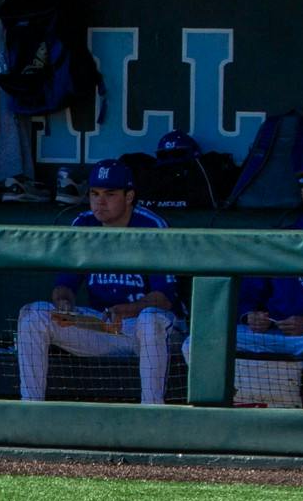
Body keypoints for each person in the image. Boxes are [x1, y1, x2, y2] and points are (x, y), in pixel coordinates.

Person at [14, 158, 181, 404]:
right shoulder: (84, 223)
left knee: (150, 320)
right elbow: (65, 284)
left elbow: (164, 299)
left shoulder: (151, 225)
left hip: (150, 329)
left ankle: (152, 412)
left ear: (129, 196)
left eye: (110, 194)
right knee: (34, 315)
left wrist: (130, 310)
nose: (100, 202)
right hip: (104, 326)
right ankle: (30, 408)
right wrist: (63, 302)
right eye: (94, 193)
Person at [182, 152, 303, 404]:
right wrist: (250, 315)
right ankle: (214, 424)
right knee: (197, 343)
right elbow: (248, 295)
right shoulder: (282, 240)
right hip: (274, 336)